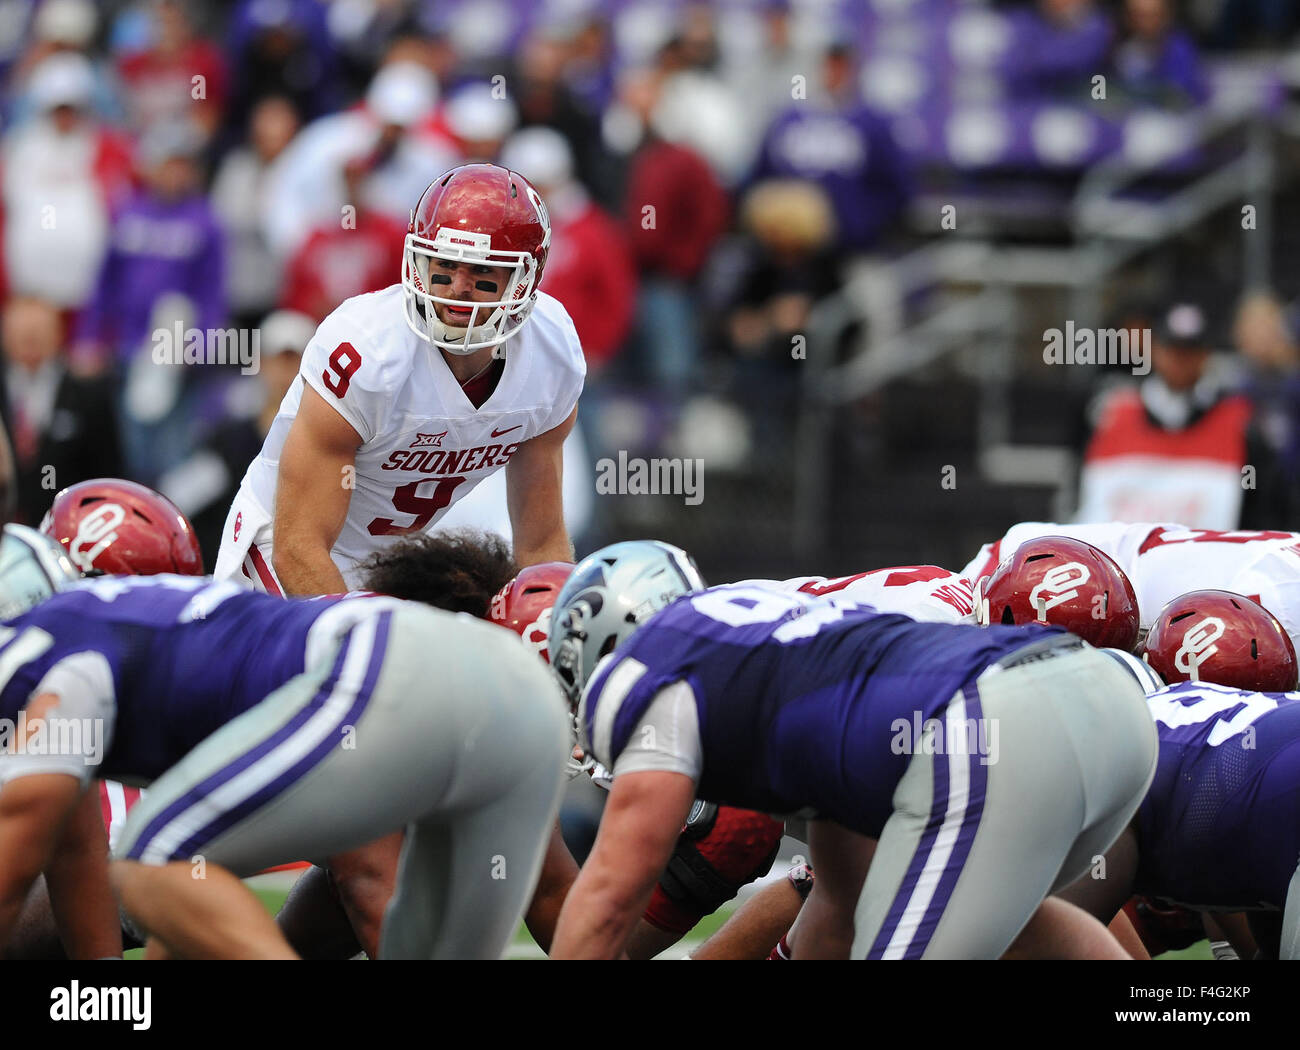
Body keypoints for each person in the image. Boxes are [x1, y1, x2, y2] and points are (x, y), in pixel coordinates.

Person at [546, 541, 1158, 959]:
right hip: (1112, 713)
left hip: (998, 730)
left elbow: (608, 896)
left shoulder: (645, 671)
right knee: (1014, 922)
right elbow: (838, 908)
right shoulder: (790, 659)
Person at [0, 531, 568, 959]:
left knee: (152, 857)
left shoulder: (43, 659)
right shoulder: (88, 634)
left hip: (393, 667)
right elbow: (74, 855)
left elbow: (15, 874)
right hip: (528, 708)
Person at [214, 163, 584, 597]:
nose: (457, 289)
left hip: (400, 565)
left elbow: (540, 546)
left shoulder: (552, 353)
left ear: (526, 279)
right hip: (291, 548)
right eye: (444, 266)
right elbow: (299, 546)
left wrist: (555, 625)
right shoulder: (369, 349)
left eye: (483, 273)